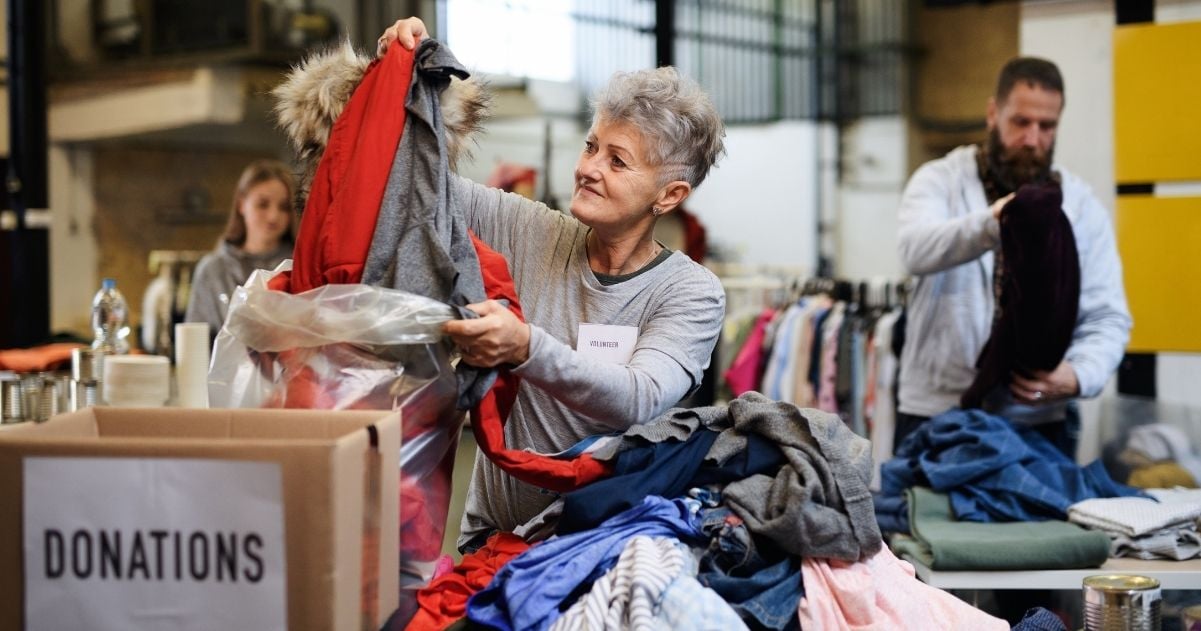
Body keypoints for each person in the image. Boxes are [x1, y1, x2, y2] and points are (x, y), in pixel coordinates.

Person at [378, 18, 727, 549]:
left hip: (594, 550)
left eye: (617, 160)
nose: (588, 168)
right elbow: (422, 186)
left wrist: (524, 347)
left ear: (669, 195)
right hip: (489, 539)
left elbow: (637, 398)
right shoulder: (530, 229)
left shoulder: (690, 293)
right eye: (591, 146)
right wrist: (398, 76)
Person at [894, 57, 1132, 458]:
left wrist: (1078, 375)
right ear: (993, 113)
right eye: (1020, 122)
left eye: (1046, 126)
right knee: (918, 520)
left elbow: (1108, 315)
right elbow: (913, 249)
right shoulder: (941, 181)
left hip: (1038, 419)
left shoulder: (1080, 205)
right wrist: (994, 223)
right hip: (935, 411)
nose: (1032, 139)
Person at [186, 160, 296, 335]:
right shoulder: (213, 270)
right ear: (241, 205)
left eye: (284, 207)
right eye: (263, 204)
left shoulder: (299, 267)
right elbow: (194, 340)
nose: (273, 216)